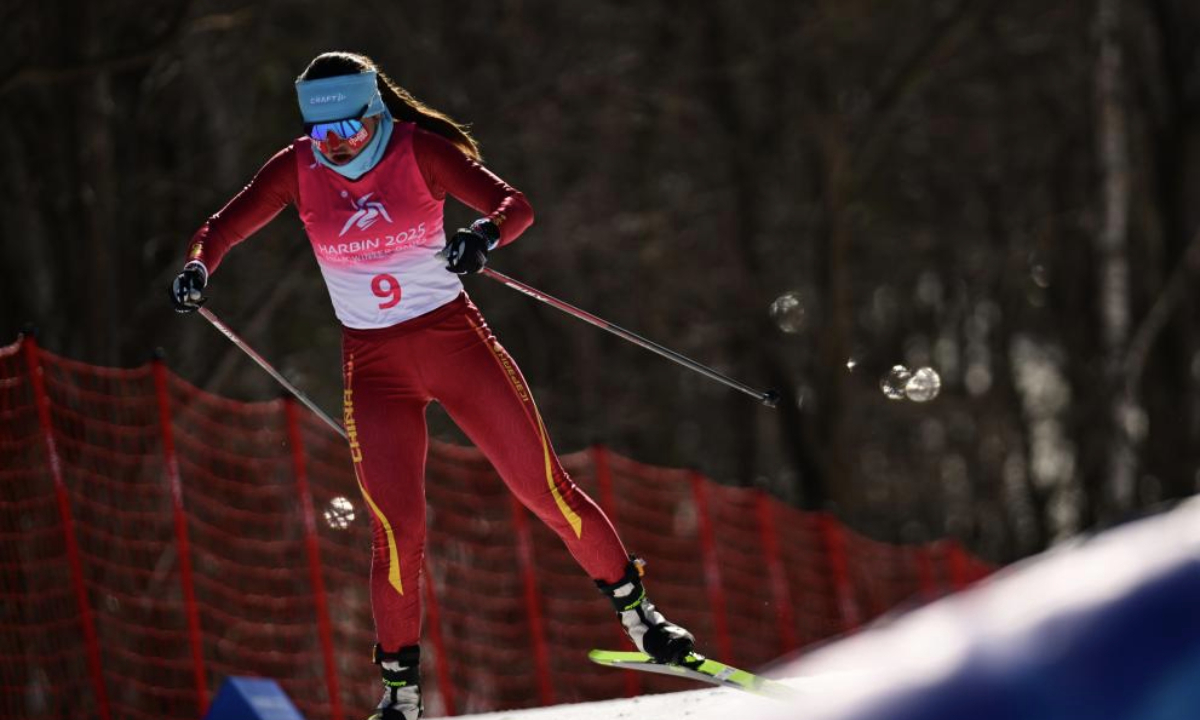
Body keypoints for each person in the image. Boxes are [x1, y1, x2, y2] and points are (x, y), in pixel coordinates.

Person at [169, 51, 694, 720]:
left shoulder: (422, 151)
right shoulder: (296, 168)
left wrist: (483, 236)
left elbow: (515, 204)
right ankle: (400, 696)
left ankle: (641, 619)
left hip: (456, 346)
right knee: (396, 532)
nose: (337, 148)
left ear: (375, 113)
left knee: (543, 490)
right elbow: (219, 229)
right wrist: (196, 268)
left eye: (350, 133)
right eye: (325, 137)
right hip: (375, 368)